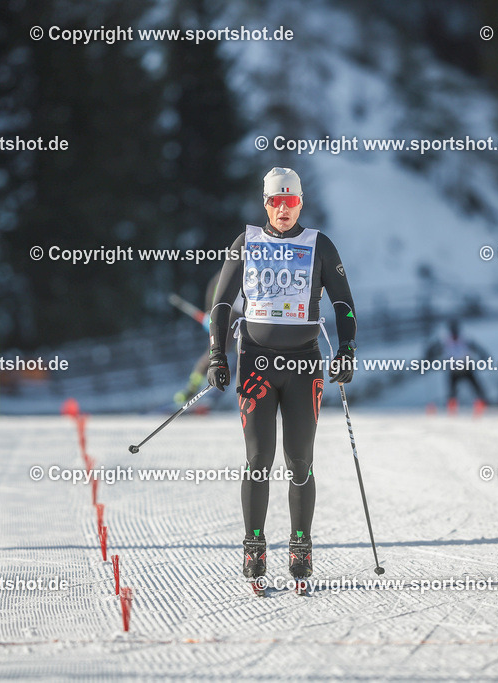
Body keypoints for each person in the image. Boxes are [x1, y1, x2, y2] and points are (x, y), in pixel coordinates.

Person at [206, 167, 357, 586]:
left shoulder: (319, 246)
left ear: (301, 202)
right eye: (276, 201)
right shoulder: (247, 243)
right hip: (256, 364)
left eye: (290, 201)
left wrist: (346, 351)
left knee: (300, 462)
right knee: (258, 460)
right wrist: (219, 355)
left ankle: (300, 546)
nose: (283, 208)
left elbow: (343, 303)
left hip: (304, 366)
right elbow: (221, 305)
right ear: (266, 203)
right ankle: (254, 548)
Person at [173, 272, 242, 405]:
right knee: (216, 351)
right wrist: (211, 312)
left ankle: (222, 392)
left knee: (243, 354)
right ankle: (192, 388)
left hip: (250, 313)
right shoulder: (238, 262)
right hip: (232, 312)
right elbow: (214, 285)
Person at [425, 318, 489, 409]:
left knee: (476, 387)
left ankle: (483, 404)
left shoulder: (465, 340)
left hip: (466, 368)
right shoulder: (445, 341)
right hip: (453, 369)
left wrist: (484, 356)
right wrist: (428, 355)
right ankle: (452, 408)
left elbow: (477, 348)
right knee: (452, 391)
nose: (454, 334)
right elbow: (434, 351)